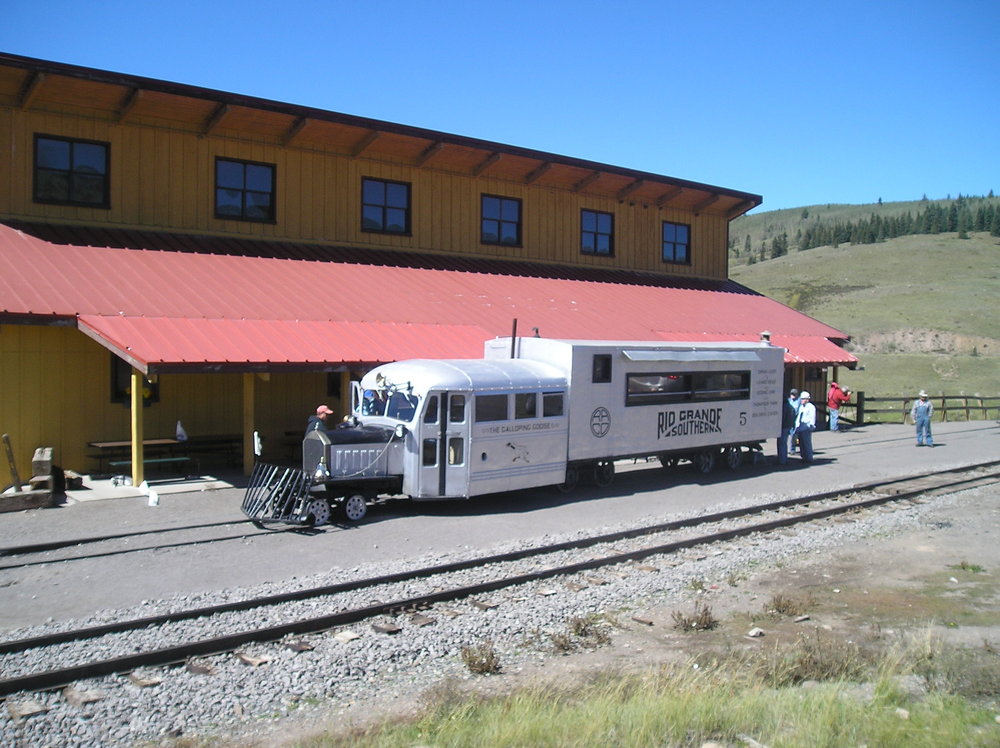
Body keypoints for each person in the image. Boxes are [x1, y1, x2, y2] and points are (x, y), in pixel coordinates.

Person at [776, 389, 798, 465]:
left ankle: (782, 460)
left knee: (781, 444)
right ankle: (783, 459)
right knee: (784, 443)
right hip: (788, 426)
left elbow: (782, 417)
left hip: (783, 427)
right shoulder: (791, 406)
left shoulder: (784, 407)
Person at [794, 391, 817, 462]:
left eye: (803, 399)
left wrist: (811, 426)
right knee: (801, 444)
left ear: (807, 399)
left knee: (807, 443)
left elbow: (812, 417)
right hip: (800, 427)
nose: (801, 400)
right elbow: (798, 417)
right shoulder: (801, 407)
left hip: (807, 428)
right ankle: (804, 457)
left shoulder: (811, 407)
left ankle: (809, 458)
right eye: (801, 399)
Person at [787, 388, 801, 454]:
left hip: (796, 419)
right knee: (788, 435)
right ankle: (788, 449)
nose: (792, 396)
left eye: (794, 394)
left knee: (793, 435)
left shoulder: (799, 401)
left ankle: (792, 449)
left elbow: (799, 410)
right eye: (792, 394)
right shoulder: (789, 400)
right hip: (788, 419)